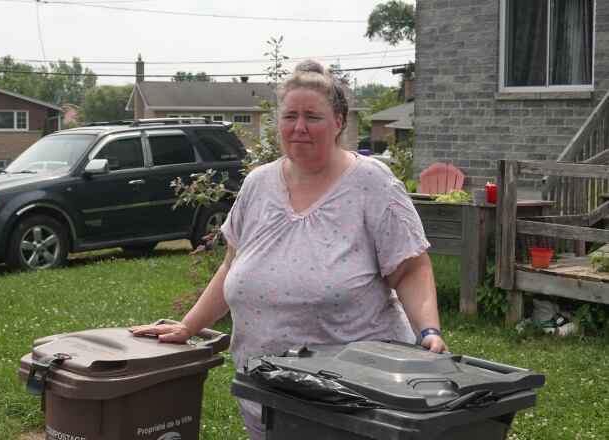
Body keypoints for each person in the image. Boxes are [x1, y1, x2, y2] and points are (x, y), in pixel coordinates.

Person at [130, 59, 447, 439]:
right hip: (267, 390)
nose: (299, 127)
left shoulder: (372, 184)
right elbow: (233, 265)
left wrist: (427, 329)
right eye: (289, 116)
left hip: (353, 399)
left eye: (312, 116)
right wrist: (188, 325)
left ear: (339, 123)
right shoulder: (258, 185)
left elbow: (411, 267)